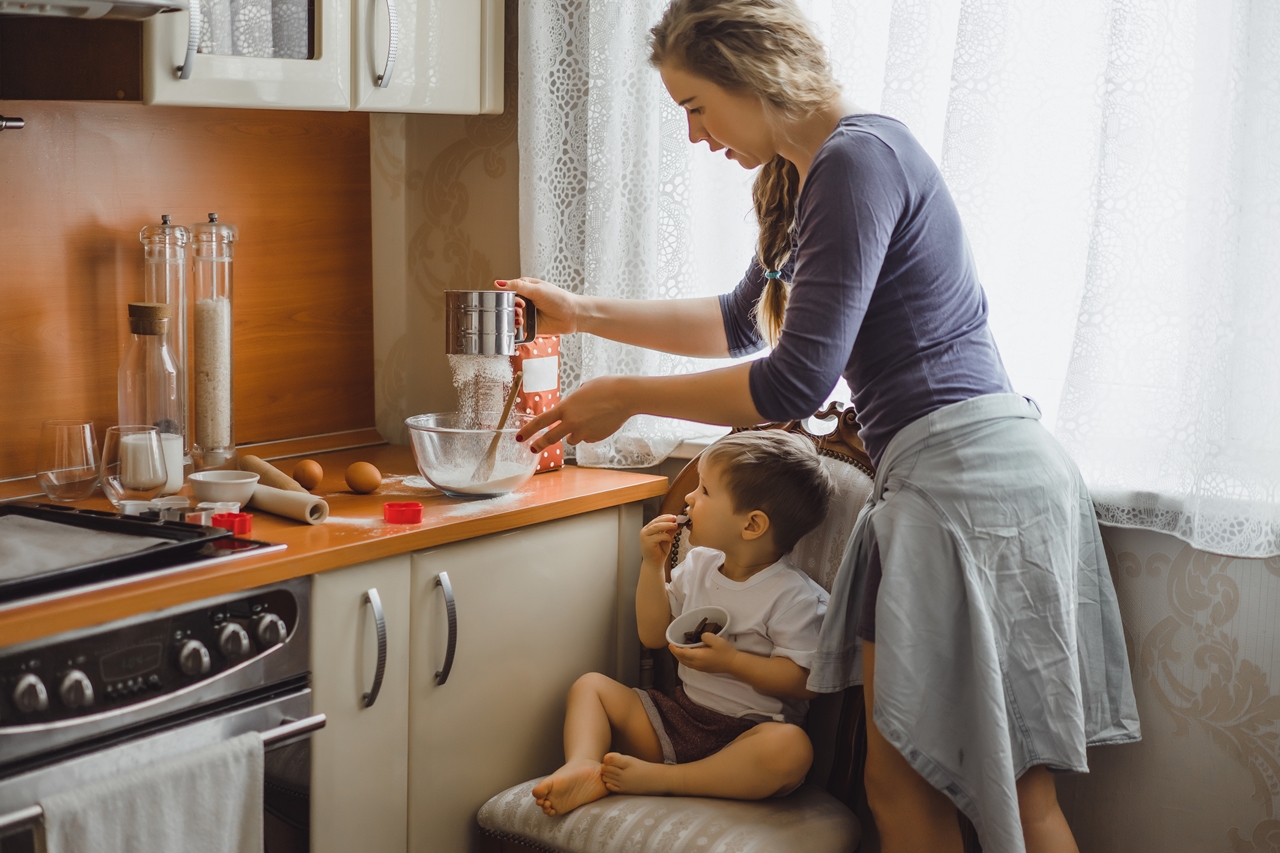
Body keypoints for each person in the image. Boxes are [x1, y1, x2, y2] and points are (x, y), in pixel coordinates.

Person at [504, 1, 1140, 851]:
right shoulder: (813, 174)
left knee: (914, 786)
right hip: (979, 473)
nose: (694, 135)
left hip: (962, 484)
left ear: (753, 73)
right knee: (1007, 793)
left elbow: (794, 378)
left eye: (695, 105)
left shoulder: (856, 159)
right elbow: (740, 322)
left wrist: (630, 394)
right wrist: (581, 313)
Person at [532, 430, 834, 816]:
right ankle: (584, 766)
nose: (690, 498)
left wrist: (733, 662)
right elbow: (653, 634)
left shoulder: (793, 597)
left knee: (791, 749)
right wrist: (653, 565)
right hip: (676, 721)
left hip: (748, 739)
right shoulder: (699, 565)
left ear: (752, 525)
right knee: (590, 686)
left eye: (705, 491)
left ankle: (664, 780)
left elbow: (805, 683)